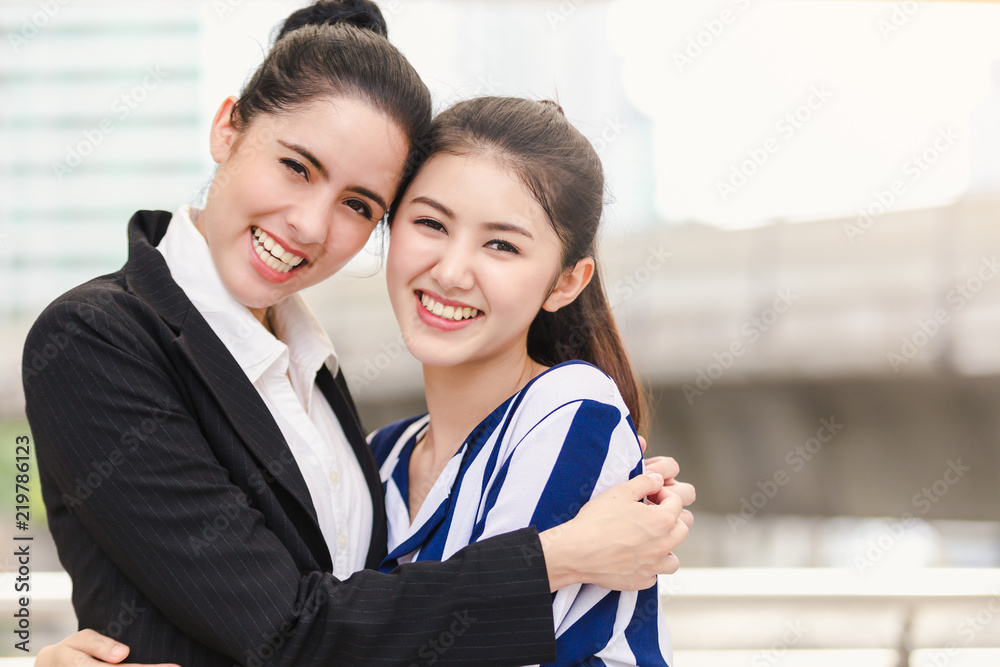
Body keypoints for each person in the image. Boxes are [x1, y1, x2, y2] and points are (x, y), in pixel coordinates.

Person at [23, 2, 693, 666]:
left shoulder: (317, 381)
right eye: (296, 166)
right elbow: (290, 628)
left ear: (566, 281)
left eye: (357, 204)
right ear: (228, 126)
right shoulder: (97, 336)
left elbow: (335, 619)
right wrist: (557, 557)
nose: (310, 225)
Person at [369, 95, 674, 665]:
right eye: (431, 223)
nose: (451, 272)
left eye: (501, 245)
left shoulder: (572, 410)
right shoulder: (378, 457)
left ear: (566, 283)